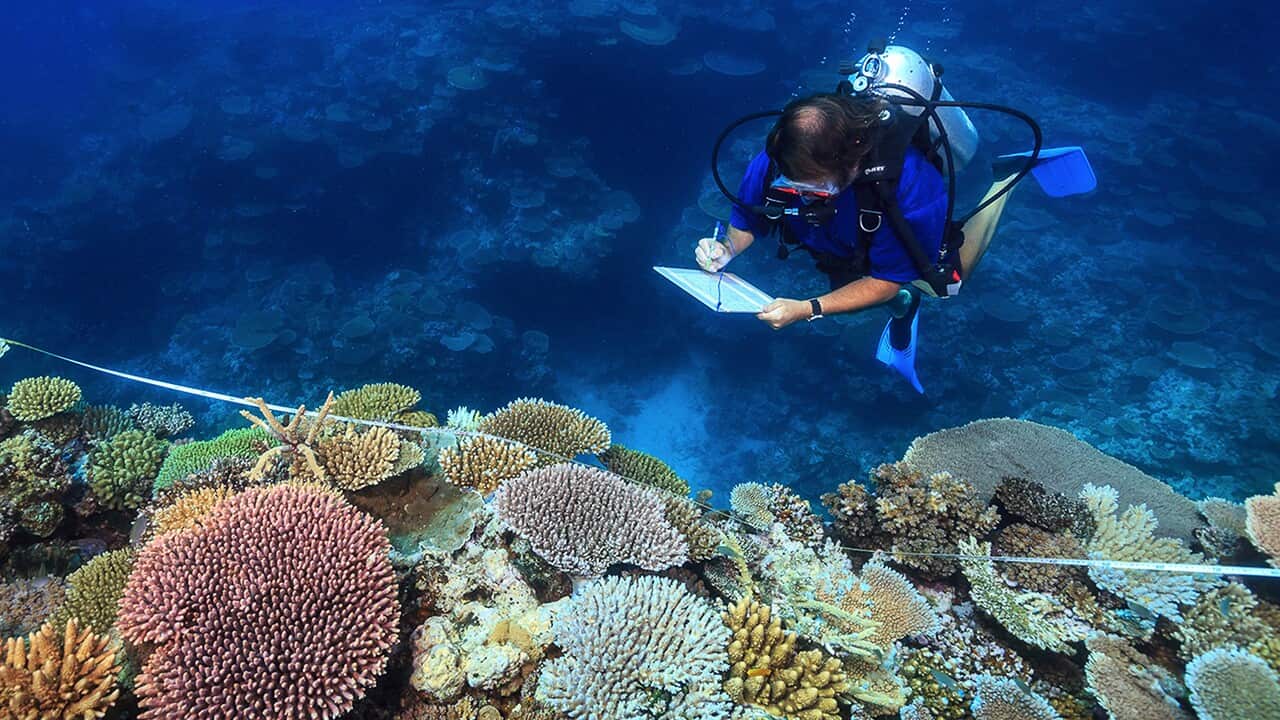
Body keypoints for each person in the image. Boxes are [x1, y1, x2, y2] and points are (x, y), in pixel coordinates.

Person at [695, 92, 1020, 393]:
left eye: (814, 191)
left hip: (883, 231)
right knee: (849, 289)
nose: (802, 199)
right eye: (791, 187)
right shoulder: (776, 162)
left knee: (946, 284)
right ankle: (905, 305)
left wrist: (808, 309)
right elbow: (748, 220)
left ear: (851, 165)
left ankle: (1008, 176)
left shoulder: (910, 184)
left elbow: (884, 281)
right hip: (839, 243)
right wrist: (726, 249)